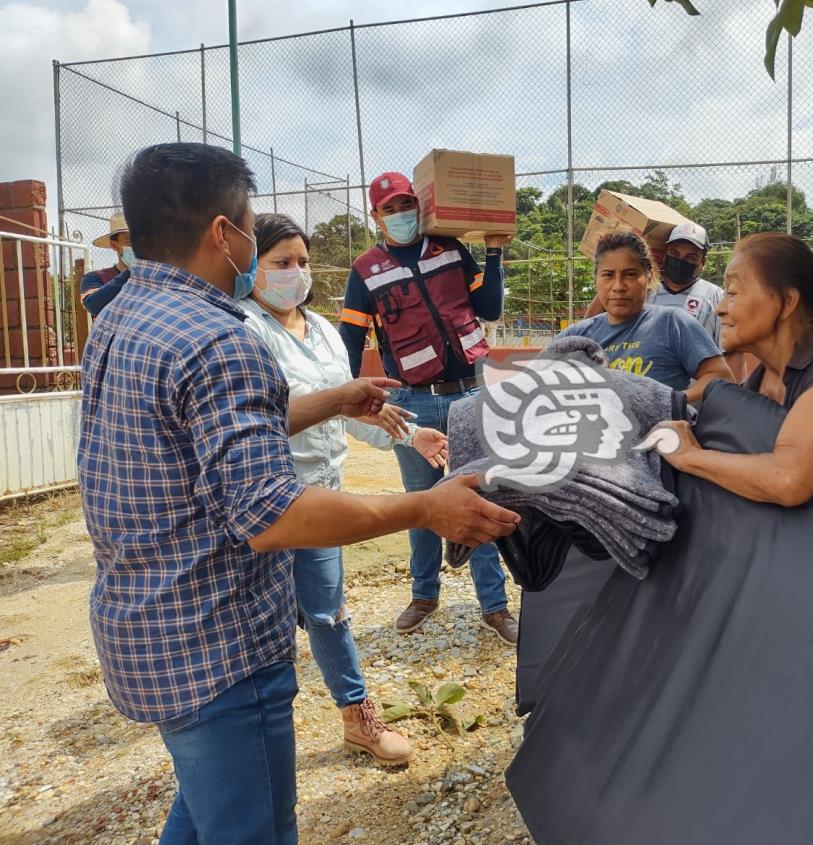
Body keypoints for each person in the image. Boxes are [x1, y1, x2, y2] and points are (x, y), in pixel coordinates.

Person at [78, 143, 519, 845]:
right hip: (216, 646)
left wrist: (336, 399)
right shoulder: (220, 337)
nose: (263, 250)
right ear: (224, 234)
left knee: (204, 810)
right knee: (251, 828)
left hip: (147, 628)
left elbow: (207, 436)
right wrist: (421, 507)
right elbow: (272, 513)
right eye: (253, 227)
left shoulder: (123, 318)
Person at [238, 212, 452, 769]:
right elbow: (254, 416)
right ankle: (257, 734)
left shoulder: (327, 332)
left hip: (321, 494)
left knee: (328, 609)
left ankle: (358, 718)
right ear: (251, 267)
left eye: (304, 262)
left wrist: (410, 433)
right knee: (263, 620)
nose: (297, 273)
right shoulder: (242, 330)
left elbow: (349, 408)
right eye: (282, 263)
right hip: (262, 494)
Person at [338, 171, 518, 644]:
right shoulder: (365, 270)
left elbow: (491, 307)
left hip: (470, 394)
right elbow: (350, 340)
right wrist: (353, 396)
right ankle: (424, 595)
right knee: (419, 505)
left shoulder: (450, 248)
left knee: (477, 499)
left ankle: (494, 606)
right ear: (375, 217)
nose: (400, 215)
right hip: (412, 402)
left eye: (405, 204)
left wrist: (495, 251)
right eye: (389, 209)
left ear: (418, 205)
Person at [651, 232, 813, 504]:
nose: (720, 308)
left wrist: (687, 454)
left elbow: (789, 478)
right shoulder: (754, 385)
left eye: (732, 292)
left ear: (786, 302)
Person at [558, 230, 732, 404]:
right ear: (596, 278)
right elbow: (536, 381)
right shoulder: (577, 336)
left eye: (630, 274)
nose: (618, 286)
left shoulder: (672, 324)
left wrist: (673, 401)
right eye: (608, 275)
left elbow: (721, 375)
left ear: (649, 276)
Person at [584, 222, 746, 380]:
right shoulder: (643, 290)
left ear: (702, 262)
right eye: (675, 254)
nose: (681, 261)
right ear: (665, 254)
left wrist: (727, 395)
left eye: (691, 257)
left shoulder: (715, 296)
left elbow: (732, 353)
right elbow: (592, 323)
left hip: (696, 396)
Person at [80, 211, 133, 316]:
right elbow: (94, 306)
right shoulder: (95, 278)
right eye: (129, 242)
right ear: (114, 245)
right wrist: (132, 272)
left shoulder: (155, 277)